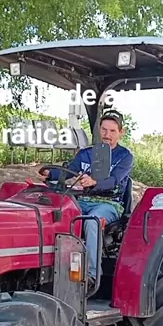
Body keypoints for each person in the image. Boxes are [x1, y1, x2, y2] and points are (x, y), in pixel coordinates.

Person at [39, 111, 134, 285]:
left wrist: (95, 182)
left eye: (112, 131)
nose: (107, 135)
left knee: (92, 221)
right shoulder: (86, 154)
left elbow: (114, 180)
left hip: (110, 203)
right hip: (84, 200)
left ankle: (91, 275)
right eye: (104, 130)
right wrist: (50, 174)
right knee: (58, 214)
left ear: (121, 132)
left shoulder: (125, 157)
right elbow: (70, 171)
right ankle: (54, 267)